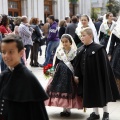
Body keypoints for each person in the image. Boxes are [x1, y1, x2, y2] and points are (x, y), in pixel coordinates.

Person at [74, 27, 119, 120]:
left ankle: (106, 113)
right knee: (91, 95)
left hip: (97, 77)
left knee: (101, 95)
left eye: (84, 35)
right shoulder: (81, 49)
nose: (82, 38)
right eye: (81, 36)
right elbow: (77, 64)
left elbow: (104, 65)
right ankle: (95, 113)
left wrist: (103, 77)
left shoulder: (98, 49)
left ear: (90, 36)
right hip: (86, 77)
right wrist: (77, 75)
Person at [0, 34, 49, 120]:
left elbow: (38, 114)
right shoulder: (4, 75)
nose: (6, 56)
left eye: (11, 52)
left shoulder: (28, 79)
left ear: (21, 52)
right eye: (3, 52)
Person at [45, 34, 83, 117]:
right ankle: (64, 109)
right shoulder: (59, 51)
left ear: (70, 42)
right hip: (59, 73)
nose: (64, 43)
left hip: (70, 74)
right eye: (63, 42)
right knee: (61, 90)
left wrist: (76, 75)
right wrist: (52, 72)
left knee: (69, 90)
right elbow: (56, 63)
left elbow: (76, 65)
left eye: (66, 42)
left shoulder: (74, 52)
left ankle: (68, 109)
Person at [107, 16, 120, 94]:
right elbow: (112, 43)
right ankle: (117, 92)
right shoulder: (116, 30)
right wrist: (109, 54)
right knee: (116, 73)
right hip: (117, 52)